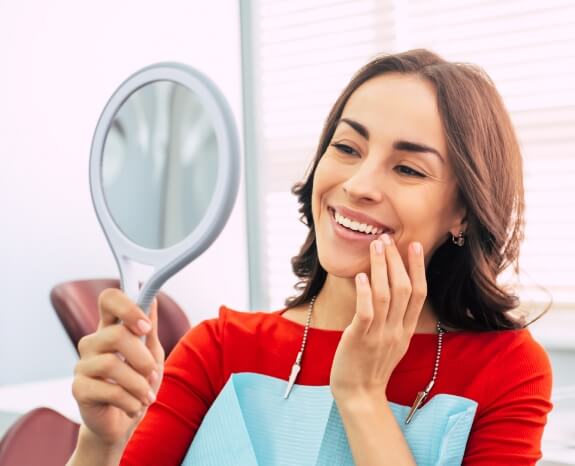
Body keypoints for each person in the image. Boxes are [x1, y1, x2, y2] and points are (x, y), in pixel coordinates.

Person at [66, 49, 553, 466]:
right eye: (346, 147)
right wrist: (100, 444)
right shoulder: (217, 350)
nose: (359, 185)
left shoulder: (507, 371)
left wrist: (361, 396)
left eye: (407, 168)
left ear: (463, 212)